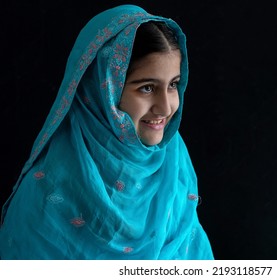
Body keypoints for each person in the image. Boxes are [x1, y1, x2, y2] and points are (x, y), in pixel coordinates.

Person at [0, 4, 214, 260]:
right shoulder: (48, 191)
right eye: (146, 88)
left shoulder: (172, 162)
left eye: (173, 85)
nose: (166, 107)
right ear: (102, 90)